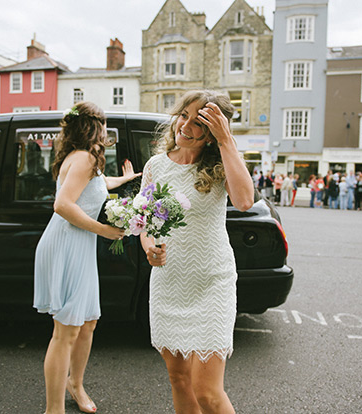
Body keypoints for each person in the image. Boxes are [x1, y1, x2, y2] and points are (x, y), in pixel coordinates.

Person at [139, 90, 254, 414]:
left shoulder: (220, 165)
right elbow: (145, 221)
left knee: (207, 392)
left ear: (212, 133)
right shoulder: (155, 166)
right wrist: (149, 247)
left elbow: (245, 201)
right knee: (178, 378)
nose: (185, 126)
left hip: (211, 283)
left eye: (199, 122)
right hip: (169, 283)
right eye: (183, 115)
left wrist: (227, 141)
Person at [33, 102, 141, 414]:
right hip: (67, 244)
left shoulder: (85, 160)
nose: (106, 133)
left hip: (78, 245)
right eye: (104, 126)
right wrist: (104, 230)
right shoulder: (81, 159)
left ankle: (75, 384)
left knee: (88, 323)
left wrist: (125, 179)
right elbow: (62, 205)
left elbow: (96, 186)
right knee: (65, 332)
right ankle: (54, 409)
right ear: (94, 128)